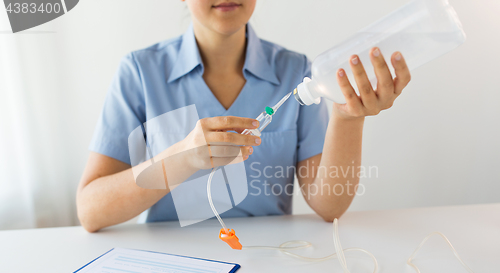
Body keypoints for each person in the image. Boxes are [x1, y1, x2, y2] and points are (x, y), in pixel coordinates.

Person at [77, 0, 411, 232]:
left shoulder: (295, 71)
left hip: (270, 261)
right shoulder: (139, 73)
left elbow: (330, 206)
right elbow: (90, 211)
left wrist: (349, 118)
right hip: (173, 262)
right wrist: (181, 158)